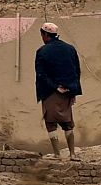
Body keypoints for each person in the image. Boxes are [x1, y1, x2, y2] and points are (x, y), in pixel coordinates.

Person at [35, 22, 82, 159]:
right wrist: (73, 91)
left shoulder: (42, 51)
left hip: (50, 92)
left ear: (45, 35)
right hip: (68, 91)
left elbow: (41, 74)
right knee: (68, 123)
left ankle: (57, 154)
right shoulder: (70, 49)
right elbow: (76, 71)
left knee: (51, 123)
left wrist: (55, 87)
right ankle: (72, 153)